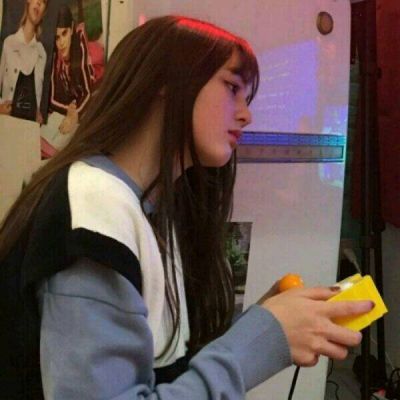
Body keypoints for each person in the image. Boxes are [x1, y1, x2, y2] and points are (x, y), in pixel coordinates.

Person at [0, 15, 374, 399]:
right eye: (232, 88)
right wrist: (262, 342)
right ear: (166, 82)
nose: (246, 114)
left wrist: (263, 327)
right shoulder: (95, 210)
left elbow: (160, 374)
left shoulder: (147, 210)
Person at [49, 3, 94, 135]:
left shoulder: (79, 45)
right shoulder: (54, 53)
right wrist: (69, 111)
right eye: (57, 37)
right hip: (70, 100)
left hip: (87, 91)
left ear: (72, 29)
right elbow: (51, 99)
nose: (61, 42)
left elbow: (88, 93)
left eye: (64, 33)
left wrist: (74, 115)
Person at [0, 0, 47, 122]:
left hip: (29, 128)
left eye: (44, 1)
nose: (39, 3)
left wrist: (38, 115)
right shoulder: (9, 43)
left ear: (44, 12)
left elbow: (37, 97)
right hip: (7, 123)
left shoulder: (41, 53)